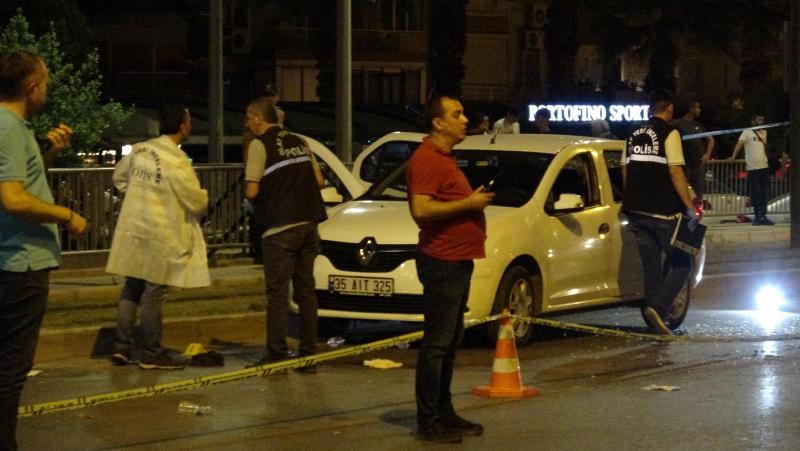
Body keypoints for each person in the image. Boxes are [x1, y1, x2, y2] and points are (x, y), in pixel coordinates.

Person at [0, 50, 86, 451]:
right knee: (11, 369)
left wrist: (47, 153)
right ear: (32, 87)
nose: (46, 91)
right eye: (46, 83)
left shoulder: (14, 129)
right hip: (19, 262)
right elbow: (14, 199)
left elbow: (21, 183)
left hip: (12, 260)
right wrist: (67, 215)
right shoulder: (8, 128)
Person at [407, 95, 495, 443]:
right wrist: (469, 203)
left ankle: (444, 412)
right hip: (441, 261)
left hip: (458, 261)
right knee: (437, 344)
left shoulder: (445, 158)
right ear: (437, 123)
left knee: (450, 342)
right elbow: (421, 210)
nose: (464, 119)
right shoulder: (427, 158)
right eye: (456, 114)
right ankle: (429, 419)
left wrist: (469, 202)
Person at [107, 103, 210, 370]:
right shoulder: (176, 159)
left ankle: (122, 347)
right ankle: (151, 352)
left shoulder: (140, 149)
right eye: (189, 122)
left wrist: (139, 195)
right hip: (161, 232)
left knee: (132, 286)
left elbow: (119, 178)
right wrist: (204, 197)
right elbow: (195, 201)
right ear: (183, 127)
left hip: (135, 228)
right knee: (154, 292)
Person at [244, 98, 326, 373]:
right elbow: (319, 181)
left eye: (249, 118)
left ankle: (277, 355)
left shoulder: (259, 145)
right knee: (306, 291)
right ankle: (308, 357)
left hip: (280, 228)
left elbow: (252, 191)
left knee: (278, 294)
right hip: (309, 224)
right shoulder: (299, 141)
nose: (247, 124)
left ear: (258, 118)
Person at [621, 89, 697, 336]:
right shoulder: (670, 133)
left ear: (649, 108)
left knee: (651, 268)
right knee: (683, 262)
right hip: (662, 212)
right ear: (670, 109)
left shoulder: (632, 133)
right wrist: (690, 207)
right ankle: (660, 309)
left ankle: (656, 322)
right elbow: (675, 172)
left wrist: (633, 197)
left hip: (635, 212)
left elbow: (625, 170)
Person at [243, 83, 284, 264]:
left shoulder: (275, 120)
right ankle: (259, 251)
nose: (269, 99)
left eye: (271, 95)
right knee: (257, 214)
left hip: (266, 177)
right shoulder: (254, 129)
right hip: (261, 174)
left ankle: (262, 251)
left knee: (259, 213)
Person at [727, 114, 774, 226]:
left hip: (764, 167)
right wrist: (733, 156)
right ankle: (757, 217)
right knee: (756, 193)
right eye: (759, 119)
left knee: (764, 194)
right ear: (753, 122)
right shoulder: (747, 132)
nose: (761, 121)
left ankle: (763, 216)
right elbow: (739, 144)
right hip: (753, 168)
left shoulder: (764, 133)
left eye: (762, 119)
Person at [672, 101, 714, 198]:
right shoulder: (678, 125)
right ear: (691, 109)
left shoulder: (698, 125)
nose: (699, 110)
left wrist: (707, 154)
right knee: (682, 193)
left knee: (698, 194)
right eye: (697, 108)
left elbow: (711, 139)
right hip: (684, 165)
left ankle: (696, 207)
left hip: (697, 165)